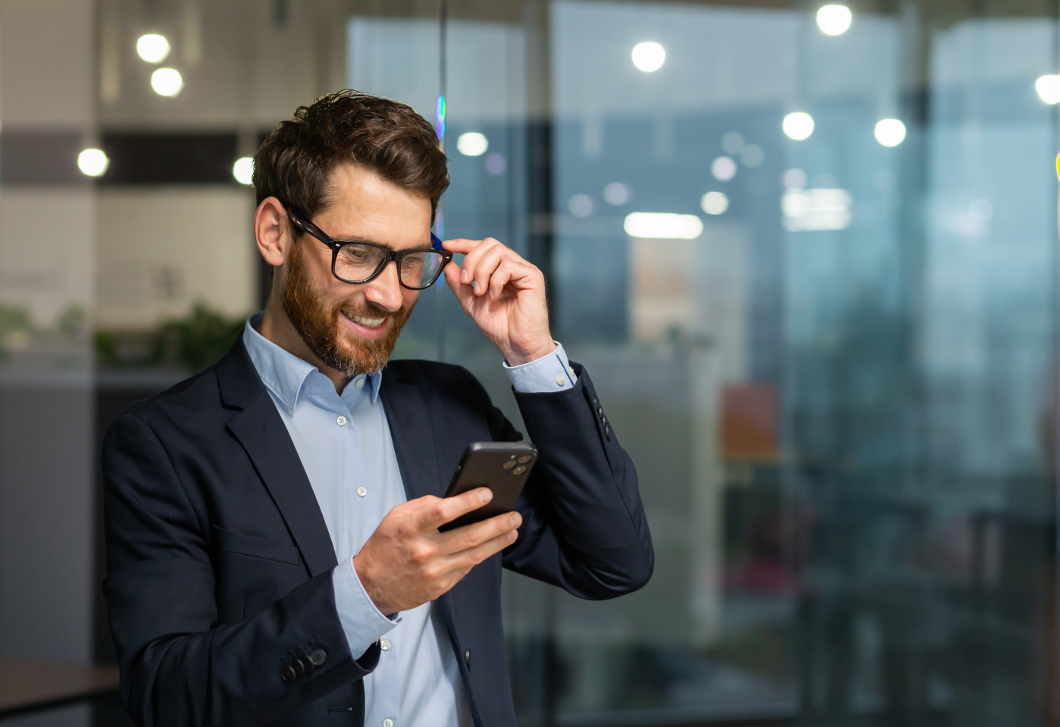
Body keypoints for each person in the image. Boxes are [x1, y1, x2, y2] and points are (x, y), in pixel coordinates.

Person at [101, 90, 653, 727]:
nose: (390, 295)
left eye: (411, 260)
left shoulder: (449, 408)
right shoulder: (164, 443)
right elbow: (166, 698)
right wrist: (362, 595)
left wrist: (531, 353)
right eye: (358, 254)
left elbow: (613, 562)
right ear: (275, 233)